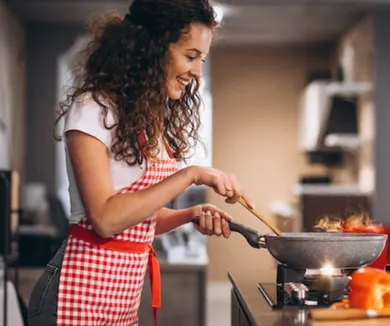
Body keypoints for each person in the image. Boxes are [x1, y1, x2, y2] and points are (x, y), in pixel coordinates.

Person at [27, 1, 253, 325]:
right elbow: (105, 219)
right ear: (153, 48)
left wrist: (189, 215)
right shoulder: (93, 109)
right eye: (190, 56)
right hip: (74, 298)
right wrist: (191, 175)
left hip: (119, 302)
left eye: (201, 59)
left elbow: (136, 220)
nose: (197, 72)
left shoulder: (145, 119)